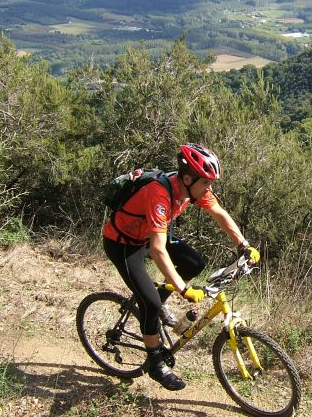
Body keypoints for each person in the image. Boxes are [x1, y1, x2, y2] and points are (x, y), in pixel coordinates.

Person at [102, 143, 259, 391]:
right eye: (206, 182)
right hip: (123, 243)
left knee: (195, 262)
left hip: (149, 236)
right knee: (151, 303)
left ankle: (154, 302)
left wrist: (244, 245)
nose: (209, 188)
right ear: (188, 178)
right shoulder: (159, 194)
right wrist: (183, 288)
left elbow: (219, 213)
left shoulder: (192, 188)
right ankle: (155, 362)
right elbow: (157, 250)